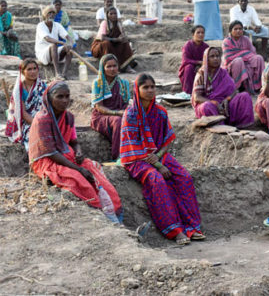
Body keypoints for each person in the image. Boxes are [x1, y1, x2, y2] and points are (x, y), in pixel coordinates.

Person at [120, 73, 204, 244]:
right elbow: (133, 145)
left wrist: (158, 157)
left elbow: (167, 139)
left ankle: (192, 227)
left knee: (184, 178)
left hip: (157, 155)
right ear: (137, 89)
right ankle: (174, 230)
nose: (150, 90)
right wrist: (158, 165)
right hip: (137, 159)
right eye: (146, 87)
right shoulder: (130, 115)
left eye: (153, 87)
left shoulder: (161, 112)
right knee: (157, 181)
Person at [29, 81, 122, 220]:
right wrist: (78, 169)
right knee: (78, 180)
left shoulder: (68, 117)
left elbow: (74, 141)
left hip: (66, 156)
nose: (64, 100)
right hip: (48, 161)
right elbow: (51, 152)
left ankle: (114, 215)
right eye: (59, 96)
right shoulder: (42, 119)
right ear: (49, 97)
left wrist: (78, 152)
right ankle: (102, 215)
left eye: (67, 96)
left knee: (95, 175)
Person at [192, 47, 254, 128]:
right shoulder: (201, 74)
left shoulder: (223, 72)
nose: (216, 59)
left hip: (225, 104)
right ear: (206, 59)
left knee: (244, 96)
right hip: (210, 104)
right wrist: (215, 103)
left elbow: (234, 90)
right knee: (206, 106)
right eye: (212, 56)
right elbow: (197, 97)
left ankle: (241, 125)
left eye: (217, 56)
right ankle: (220, 125)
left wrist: (227, 100)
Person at [91, 54, 132, 159]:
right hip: (101, 116)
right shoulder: (98, 83)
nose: (112, 69)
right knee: (118, 121)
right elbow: (99, 107)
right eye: (108, 66)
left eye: (114, 66)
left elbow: (125, 104)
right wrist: (117, 113)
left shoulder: (124, 83)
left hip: (120, 112)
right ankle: (118, 155)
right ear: (103, 68)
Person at [5, 58, 47, 149]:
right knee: (35, 137)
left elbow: (48, 107)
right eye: (29, 69)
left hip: (43, 119)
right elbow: (23, 113)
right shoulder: (19, 90)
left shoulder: (42, 86)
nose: (33, 72)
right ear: (23, 72)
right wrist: (38, 124)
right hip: (27, 122)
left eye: (34, 68)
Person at [223, 20, 265, 94]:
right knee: (239, 61)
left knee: (259, 58)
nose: (238, 31)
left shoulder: (246, 39)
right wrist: (244, 53)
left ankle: (258, 86)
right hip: (232, 64)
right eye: (235, 29)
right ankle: (237, 87)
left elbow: (253, 53)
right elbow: (228, 58)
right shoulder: (227, 41)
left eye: (240, 29)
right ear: (230, 30)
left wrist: (245, 55)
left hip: (247, 62)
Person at [91, 7, 137, 73]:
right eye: (111, 14)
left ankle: (126, 66)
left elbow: (122, 34)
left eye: (115, 13)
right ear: (107, 15)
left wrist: (123, 38)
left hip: (113, 44)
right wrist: (116, 39)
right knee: (106, 43)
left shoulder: (118, 23)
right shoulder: (104, 23)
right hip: (100, 46)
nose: (113, 15)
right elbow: (102, 38)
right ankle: (109, 66)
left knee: (125, 43)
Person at [35, 5, 74, 79]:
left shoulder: (57, 25)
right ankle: (57, 73)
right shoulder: (40, 25)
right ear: (45, 15)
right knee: (54, 45)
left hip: (54, 52)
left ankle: (64, 74)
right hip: (42, 53)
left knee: (69, 50)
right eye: (49, 13)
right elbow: (47, 38)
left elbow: (67, 36)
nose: (51, 15)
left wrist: (70, 44)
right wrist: (62, 43)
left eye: (53, 13)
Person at [178, 25, 209, 94]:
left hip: (202, 67)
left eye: (202, 33)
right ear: (193, 34)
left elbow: (208, 59)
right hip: (190, 68)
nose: (200, 34)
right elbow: (185, 60)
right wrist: (198, 62)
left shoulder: (206, 47)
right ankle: (188, 92)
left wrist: (201, 65)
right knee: (189, 68)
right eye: (198, 32)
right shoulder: (188, 45)